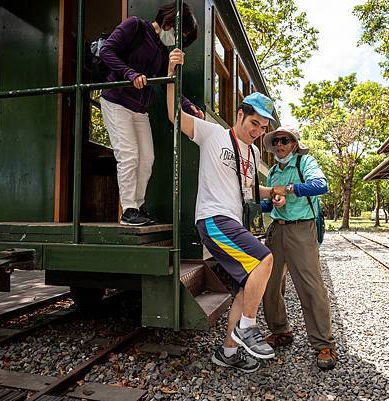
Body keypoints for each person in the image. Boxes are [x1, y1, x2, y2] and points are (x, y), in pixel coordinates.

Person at [167, 48, 284, 373]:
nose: (257, 131)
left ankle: (228, 352)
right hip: (213, 219)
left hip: (232, 220)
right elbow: (173, 116)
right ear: (240, 115)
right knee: (266, 259)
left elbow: (247, 191)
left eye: (262, 128)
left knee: (245, 289)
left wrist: (271, 192)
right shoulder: (212, 134)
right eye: (254, 123)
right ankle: (247, 329)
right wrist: (170, 74)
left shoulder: (248, 154)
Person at [99, 2, 205, 226]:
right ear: (170, 22)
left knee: (147, 158)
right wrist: (129, 73)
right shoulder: (135, 25)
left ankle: (137, 206)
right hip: (116, 100)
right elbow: (107, 50)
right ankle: (128, 210)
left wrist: (188, 106)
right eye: (179, 34)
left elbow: (165, 81)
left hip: (139, 109)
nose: (177, 40)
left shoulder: (160, 50)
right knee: (128, 155)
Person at [259, 126, 337, 370]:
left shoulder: (305, 162)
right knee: (269, 284)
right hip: (276, 229)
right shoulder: (272, 171)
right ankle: (280, 331)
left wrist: (289, 189)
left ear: (294, 144)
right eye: (276, 141)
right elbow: (270, 203)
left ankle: (323, 343)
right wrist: (264, 201)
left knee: (310, 285)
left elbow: (321, 185)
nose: (280, 144)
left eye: (285, 140)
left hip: (302, 229)